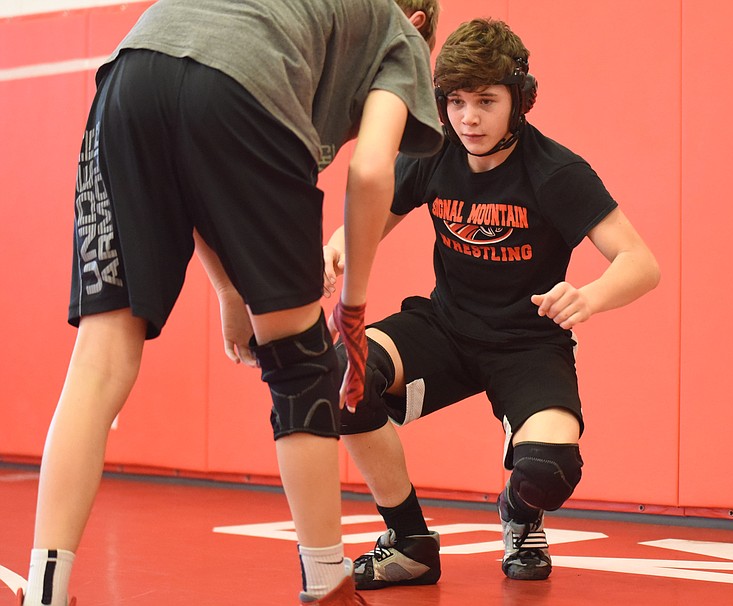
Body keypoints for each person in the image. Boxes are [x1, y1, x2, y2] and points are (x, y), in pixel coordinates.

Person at [19, 1, 443, 605]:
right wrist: (350, 311)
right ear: (422, 18)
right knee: (301, 364)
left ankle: (45, 591)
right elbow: (374, 171)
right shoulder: (398, 32)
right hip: (245, 93)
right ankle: (327, 583)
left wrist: (229, 289)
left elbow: (191, 115)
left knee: (101, 356)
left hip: (129, 75)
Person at [323, 17, 661, 590]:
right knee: (341, 378)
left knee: (549, 470)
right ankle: (410, 543)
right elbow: (374, 216)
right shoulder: (434, 153)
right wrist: (337, 245)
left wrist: (588, 295)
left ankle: (520, 514)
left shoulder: (556, 172)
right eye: (455, 102)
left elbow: (640, 263)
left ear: (519, 101)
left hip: (528, 341)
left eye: (485, 101)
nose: (468, 118)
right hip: (446, 326)